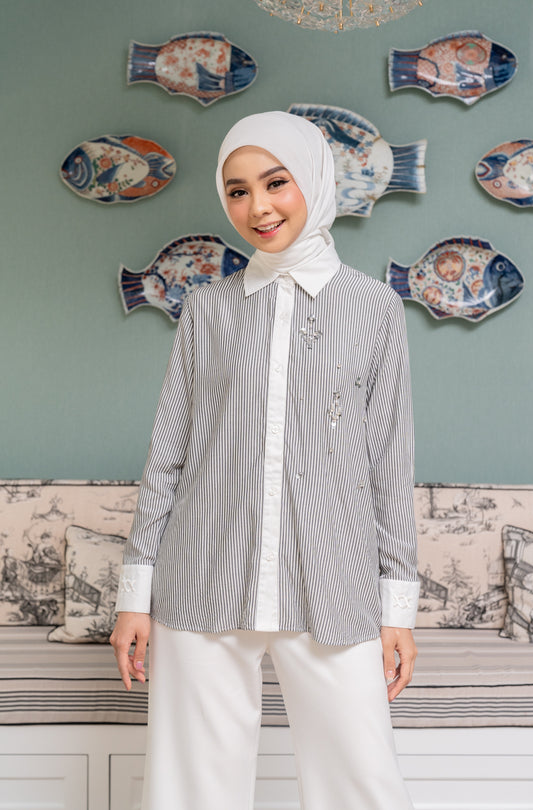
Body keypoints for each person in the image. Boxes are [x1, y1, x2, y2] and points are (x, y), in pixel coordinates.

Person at [110, 110, 420, 810]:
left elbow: (388, 465)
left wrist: (397, 607)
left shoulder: (375, 309)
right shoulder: (207, 310)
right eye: (238, 191)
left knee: (362, 786)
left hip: (334, 584)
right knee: (191, 793)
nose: (258, 208)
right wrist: (135, 597)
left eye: (276, 182)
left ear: (313, 178)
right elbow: (168, 456)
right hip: (203, 578)